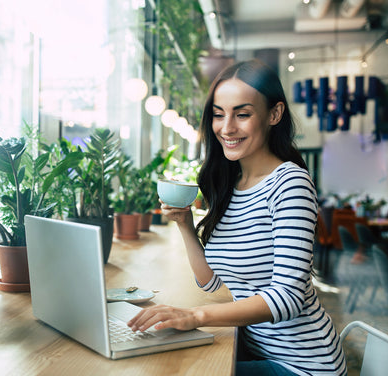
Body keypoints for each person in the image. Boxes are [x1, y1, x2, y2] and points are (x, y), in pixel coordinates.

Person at [127, 60, 347, 376]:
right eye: (219, 114)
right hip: (257, 350)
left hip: (304, 365)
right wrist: (186, 225)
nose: (227, 127)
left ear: (274, 114)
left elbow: (288, 298)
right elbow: (212, 283)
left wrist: (195, 316)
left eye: (242, 114)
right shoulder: (232, 185)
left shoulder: (290, 183)